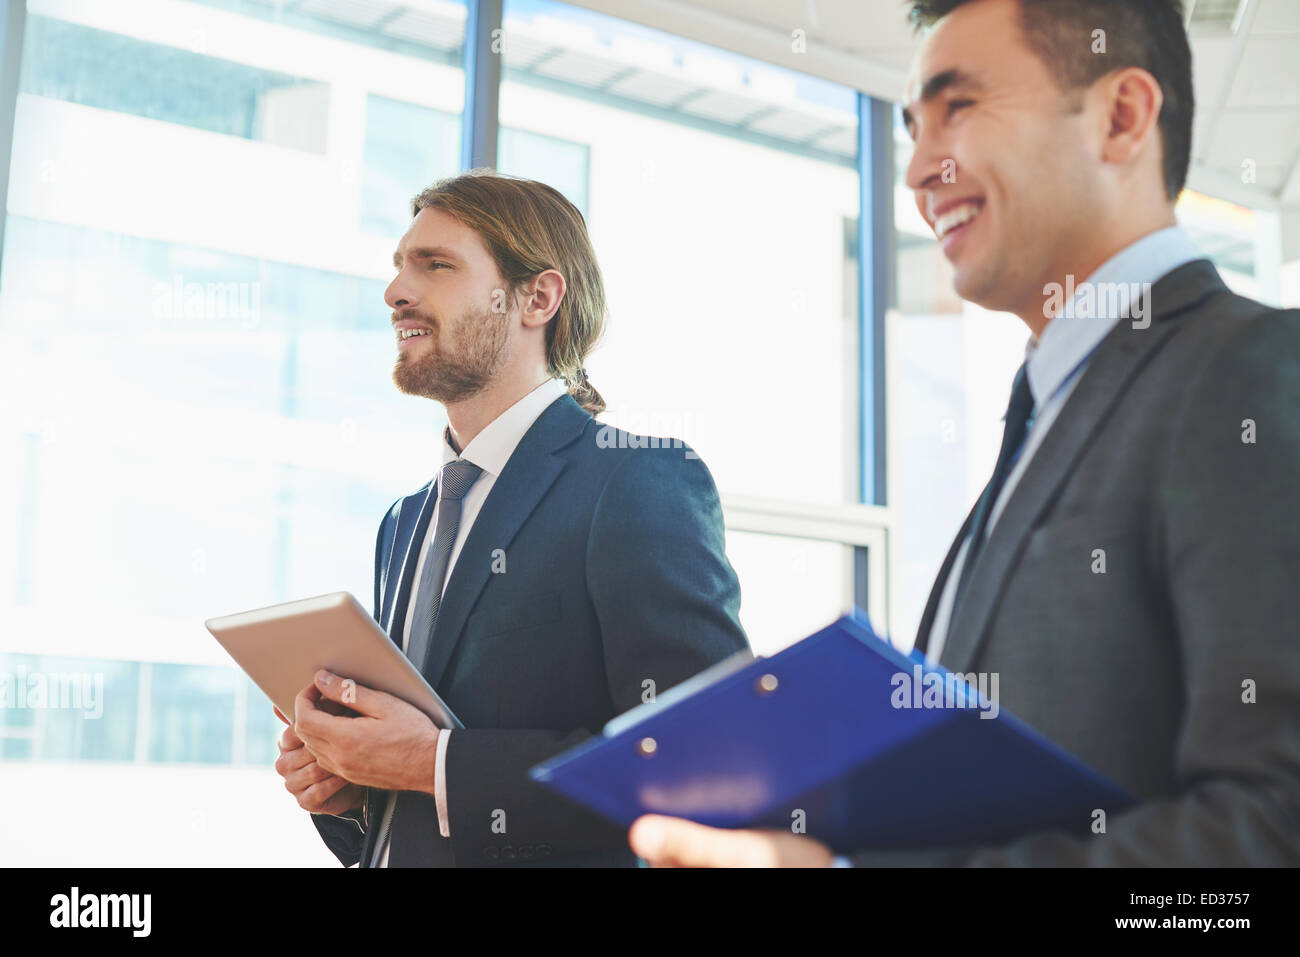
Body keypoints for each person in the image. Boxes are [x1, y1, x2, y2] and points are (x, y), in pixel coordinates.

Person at [628, 0, 1300, 867]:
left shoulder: (1249, 369)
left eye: (960, 106)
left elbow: (1273, 836)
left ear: (1122, 117)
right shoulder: (1048, 413)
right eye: (910, 126)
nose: (915, 170)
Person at [274, 170, 750, 867]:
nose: (396, 291)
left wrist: (433, 762)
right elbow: (416, 815)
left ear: (537, 297)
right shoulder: (404, 522)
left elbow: (705, 759)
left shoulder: (633, 480)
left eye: (435, 264)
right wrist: (352, 786)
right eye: (399, 266)